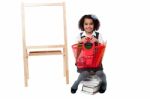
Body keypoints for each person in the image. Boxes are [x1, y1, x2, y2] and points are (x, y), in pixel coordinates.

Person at [71, 14, 107, 94]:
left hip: (95, 61)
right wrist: (80, 42)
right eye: (86, 24)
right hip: (84, 62)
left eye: (91, 24)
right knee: (84, 74)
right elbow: (76, 51)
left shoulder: (98, 35)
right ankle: (76, 83)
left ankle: (104, 83)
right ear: (82, 25)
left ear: (95, 25)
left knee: (100, 73)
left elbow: (102, 49)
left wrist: (97, 41)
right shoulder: (80, 36)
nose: (88, 26)